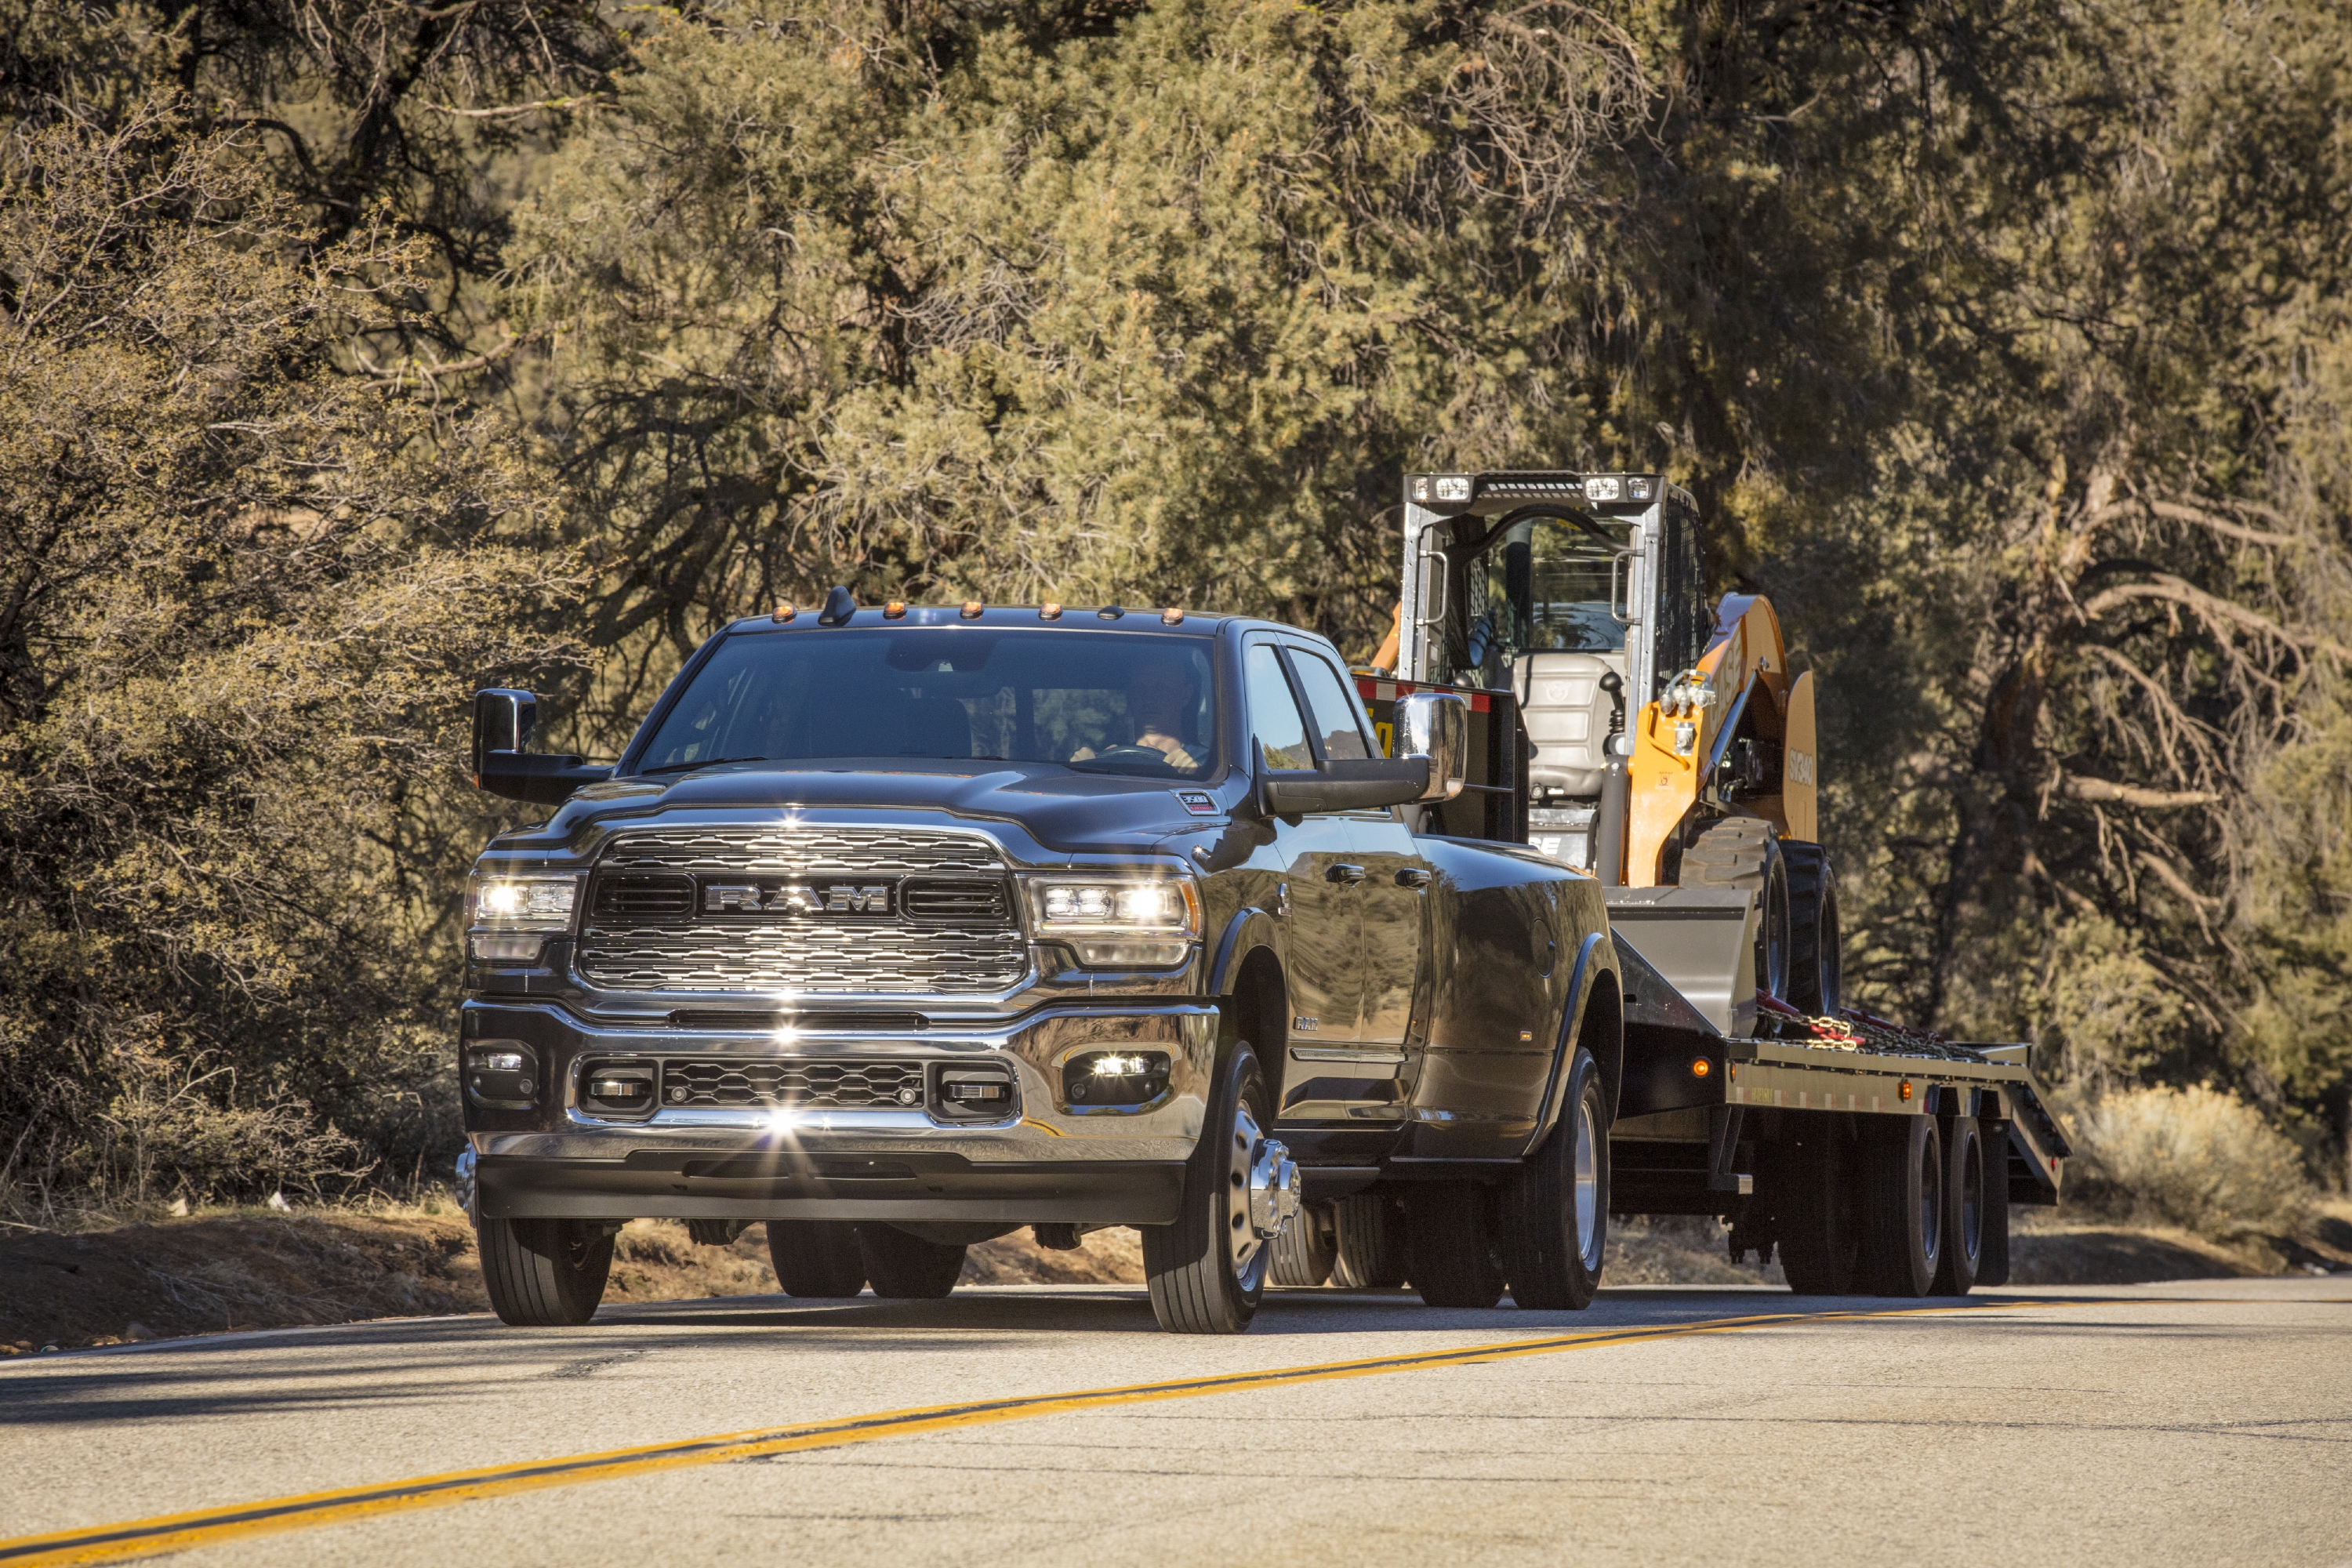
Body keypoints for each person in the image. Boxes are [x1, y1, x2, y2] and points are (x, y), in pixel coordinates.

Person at [1071, 655, 1204, 771]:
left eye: (1160, 688)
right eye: (1139, 688)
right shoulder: (1107, 763)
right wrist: (1080, 770)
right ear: (1130, 698)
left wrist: (1197, 777)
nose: (1149, 698)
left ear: (1185, 695)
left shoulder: (1210, 767)